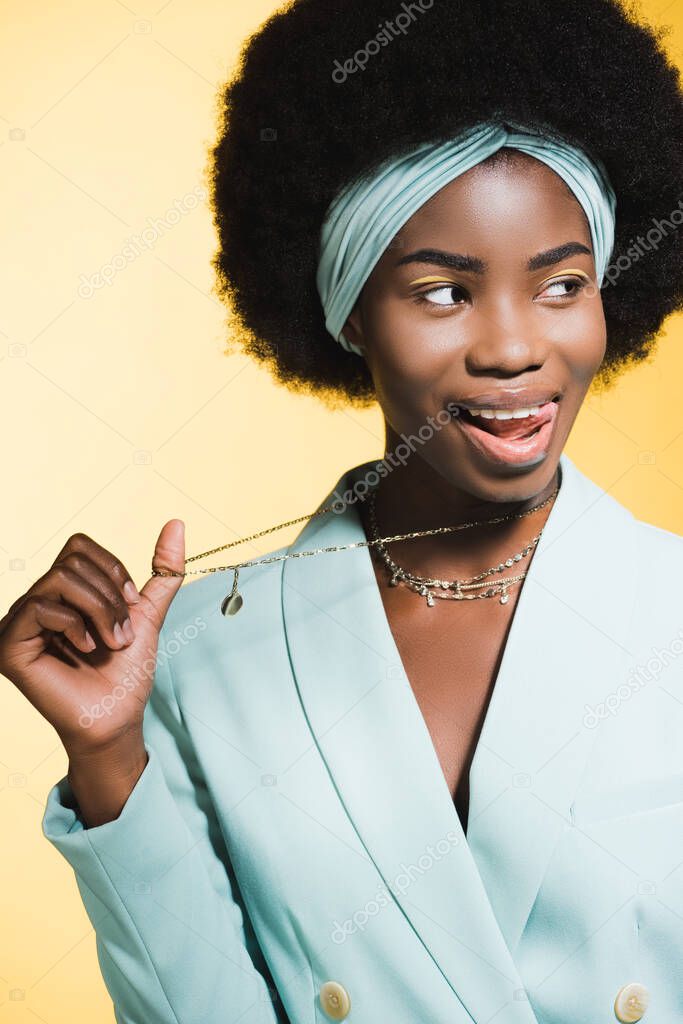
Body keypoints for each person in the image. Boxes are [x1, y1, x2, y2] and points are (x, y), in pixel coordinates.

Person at [2, 0, 682, 1021]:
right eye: (443, 292)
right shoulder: (196, 655)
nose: (511, 346)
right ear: (349, 310)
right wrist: (109, 758)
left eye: (561, 283)